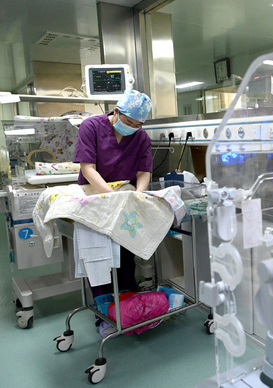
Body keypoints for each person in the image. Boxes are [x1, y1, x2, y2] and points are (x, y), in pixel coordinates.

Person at [73, 90, 153, 331]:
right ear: (116, 111)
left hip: (124, 196)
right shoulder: (91, 126)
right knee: (97, 252)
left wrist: (137, 195)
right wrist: (110, 195)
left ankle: (128, 303)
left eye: (138, 125)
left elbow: (144, 172)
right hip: (95, 194)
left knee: (126, 251)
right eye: (129, 122)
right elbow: (88, 168)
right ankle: (103, 309)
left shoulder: (141, 137)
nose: (133, 128)